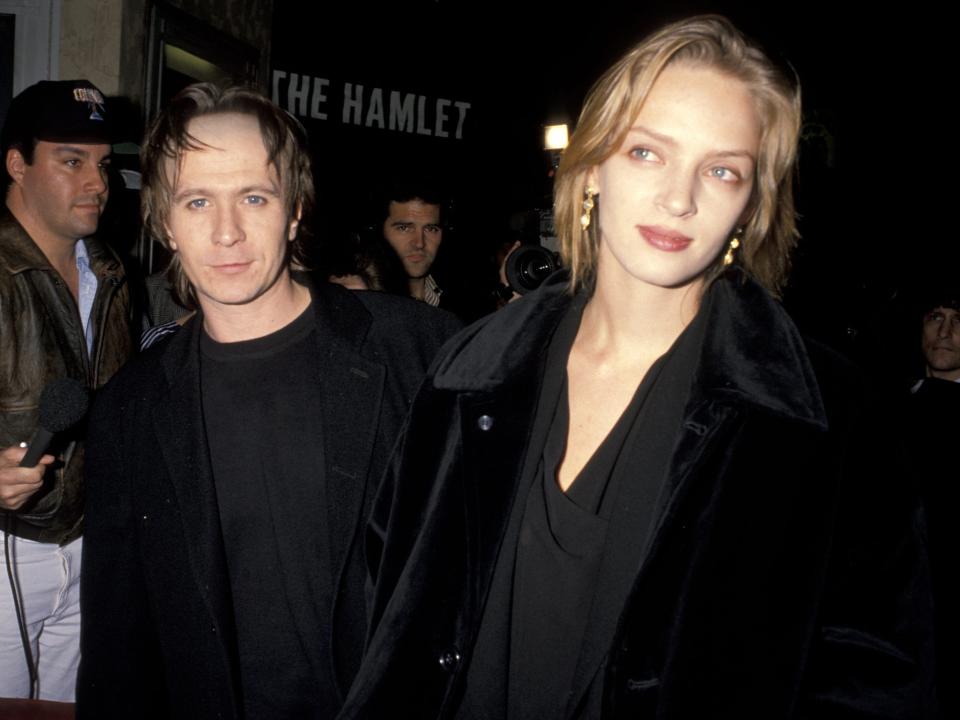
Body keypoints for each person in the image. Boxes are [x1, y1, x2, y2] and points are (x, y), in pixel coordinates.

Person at [340, 15, 934, 719]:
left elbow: (881, 682)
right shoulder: (471, 368)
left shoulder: (826, 418)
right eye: (648, 153)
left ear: (750, 205)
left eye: (721, 170)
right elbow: (390, 600)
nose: (679, 198)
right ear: (591, 168)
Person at [77, 84, 460, 719]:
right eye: (198, 201)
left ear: (294, 212)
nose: (226, 233)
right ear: (163, 221)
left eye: (253, 197)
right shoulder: (129, 410)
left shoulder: (419, 350)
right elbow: (120, 648)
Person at [0, 79, 134, 701]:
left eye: (103, 164)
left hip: (91, 549)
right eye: (72, 160)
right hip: (7, 553)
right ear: (17, 164)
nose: (98, 183)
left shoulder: (108, 272)